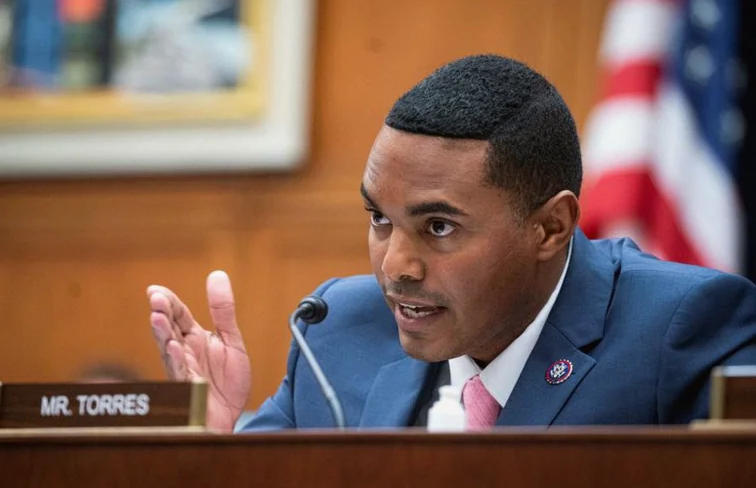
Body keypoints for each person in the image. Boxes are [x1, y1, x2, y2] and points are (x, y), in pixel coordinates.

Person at [148, 54, 756, 432]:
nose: (396, 267)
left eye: (438, 227)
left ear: (551, 227)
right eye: (379, 219)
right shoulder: (334, 334)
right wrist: (215, 452)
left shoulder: (683, 330)